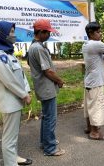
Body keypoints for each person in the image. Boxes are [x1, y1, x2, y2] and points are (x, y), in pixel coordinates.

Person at [0, 21, 32, 166]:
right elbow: (9, 80)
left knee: (13, 134)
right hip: (9, 103)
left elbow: (21, 75)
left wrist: (27, 90)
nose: (13, 35)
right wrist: (23, 94)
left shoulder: (9, 53)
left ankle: (13, 157)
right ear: (1, 34)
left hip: (15, 101)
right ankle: (10, 163)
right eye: (11, 32)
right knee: (9, 136)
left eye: (13, 31)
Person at [28, 19, 65, 156]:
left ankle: (45, 142)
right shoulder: (38, 48)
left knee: (46, 117)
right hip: (46, 88)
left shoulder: (34, 46)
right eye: (48, 32)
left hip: (42, 88)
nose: (49, 35)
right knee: (50, 118)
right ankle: (50, 148)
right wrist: (60, 81)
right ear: (41, 32)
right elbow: (47, 71)